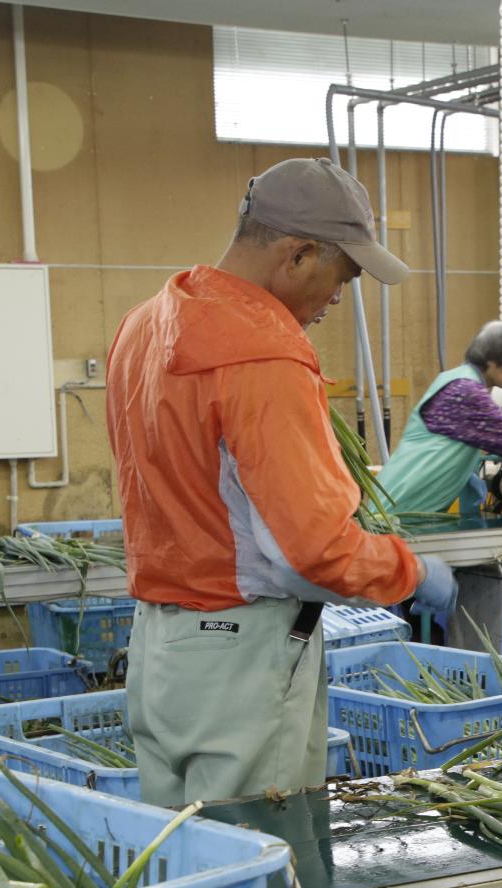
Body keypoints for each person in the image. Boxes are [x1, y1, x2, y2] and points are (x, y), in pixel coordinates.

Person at [106, 156, 459, 806]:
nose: (337, 298)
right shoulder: (261, 352)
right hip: (238, 662)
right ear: (297, 255)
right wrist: (411, 573)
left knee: (183, 869)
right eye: (342, 276)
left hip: (160, 648)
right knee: (259, 879)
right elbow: (313, 550)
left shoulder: (144, 326)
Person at [377, 320, 502, 518]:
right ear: (492, 361)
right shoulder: (465, 391)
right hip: (398, 514)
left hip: (400, 509)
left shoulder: (453, 379)